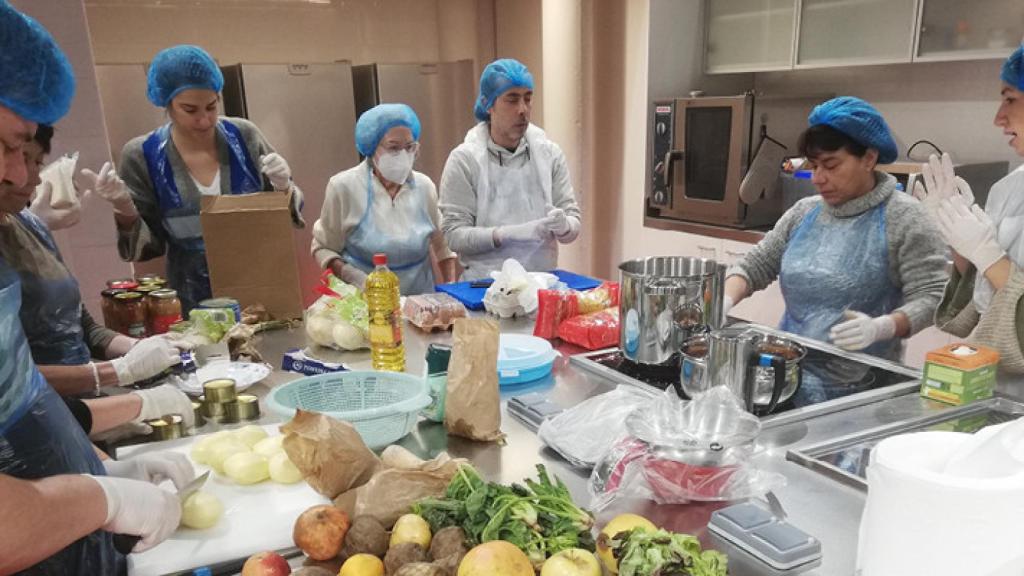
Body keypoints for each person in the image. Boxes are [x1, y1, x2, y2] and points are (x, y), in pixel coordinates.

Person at [0, 4, 186, 573]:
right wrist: (102, 498)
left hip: (58, 524)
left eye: (27, 153)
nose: (20, 174)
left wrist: (97, 471)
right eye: (7, 147)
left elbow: (22, 400)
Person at [724, 97, 947, 383]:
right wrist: (725, 300)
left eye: (830, 165)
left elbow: (932, 296)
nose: (817, 178)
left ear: (869, 158)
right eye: (815, 166)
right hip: (788, 373)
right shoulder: (804, 212)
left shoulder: (904, 217)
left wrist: (883, 327)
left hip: (862, 384)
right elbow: (756, 264)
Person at [81, 44, 305, 313]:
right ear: (167, 104)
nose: (204, 120)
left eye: (211, 106)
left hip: (261, 285)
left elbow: (284, 217)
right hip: (191, 296)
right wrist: (125, 210)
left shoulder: (244, 136)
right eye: (190, 110)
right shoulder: (144, 154)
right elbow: (147, 248)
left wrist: (284, 187)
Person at [0, 124, 193, 397]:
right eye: (21, 157)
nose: (32, 177)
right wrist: (117, 371)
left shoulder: (31, 225)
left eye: (37, 162)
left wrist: (138, 349)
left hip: (82, 399)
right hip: (38, 410)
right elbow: (10, 380)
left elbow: (81, 325)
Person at [923, 45, 1024, 372]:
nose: (998, 118)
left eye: (1010, 99)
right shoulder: (1010, 188)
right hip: (996, 383)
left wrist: (988, 254)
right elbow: (984, 300)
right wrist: (959, 239)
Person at [439, 58, 582, 280]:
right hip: (485, 285)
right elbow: (454, 236)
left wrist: (565, 226)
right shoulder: (465, 160)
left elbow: (572, 220)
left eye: (528, 98)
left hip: (541, 282)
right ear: (488, 104)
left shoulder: (549, 154)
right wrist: (502, 235)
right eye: (512, 99)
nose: (522, 109)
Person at [312, 103, 458, 294]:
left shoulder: (424, 186)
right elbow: (323, 248)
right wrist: (353, 276)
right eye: (393, 148)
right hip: (364, 302)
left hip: (420, 301)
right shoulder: (344, 187)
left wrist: (450, 289)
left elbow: (443, 246)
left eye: (410, 147)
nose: (403, 155)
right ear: (372, 147)